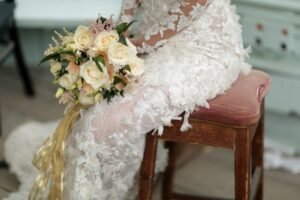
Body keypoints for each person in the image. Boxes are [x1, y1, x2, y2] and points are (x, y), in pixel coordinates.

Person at [4, 0, 251, 199]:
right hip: (151, 42)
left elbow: (191, 6)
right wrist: (114, 38)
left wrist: (133, 45)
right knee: (98, 108)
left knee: (111, 118)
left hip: (201, 49)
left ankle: (113, 190)